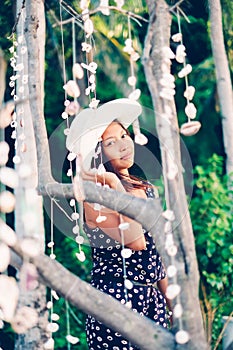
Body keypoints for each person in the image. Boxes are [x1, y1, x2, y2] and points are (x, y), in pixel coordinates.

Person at [66, 98, 171, 350]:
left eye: (125, 136)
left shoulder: (146, 189)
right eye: (111, 142)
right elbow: (135, 240)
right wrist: (113, 184)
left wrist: (171, 301)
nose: (124, 145)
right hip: (116, 303)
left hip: (151, 299)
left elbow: (157, 251)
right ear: (98, 154)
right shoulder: (94, 198)